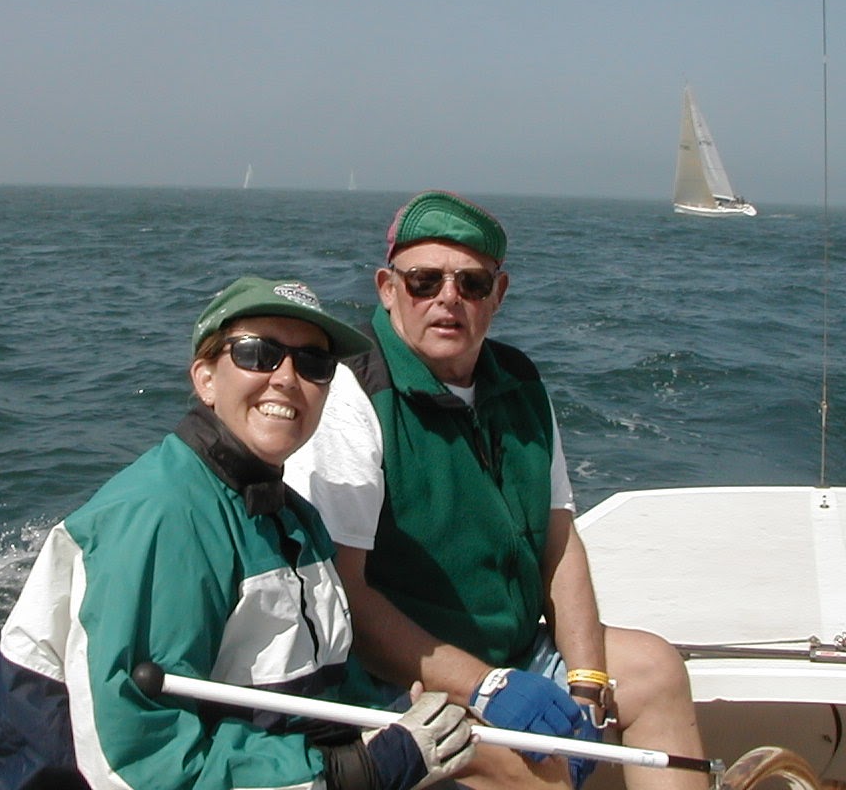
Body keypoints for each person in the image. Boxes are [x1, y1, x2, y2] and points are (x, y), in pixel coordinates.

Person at [0, 276, 477, 790]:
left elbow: (313, 690)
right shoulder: (161, 518)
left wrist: (389, 724)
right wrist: (361, 769)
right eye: (257, 354)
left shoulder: (294, 517)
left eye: (314, 363)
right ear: (205, 379)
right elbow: (137, 765)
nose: (286, 378)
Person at [285, 192, 707, 790]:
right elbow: (347, 599)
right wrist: (488, 687)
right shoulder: (354, 395)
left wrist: (586, 685)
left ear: (498, 294)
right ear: (387, 288)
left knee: (656, 672)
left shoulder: (520, 383)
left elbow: (559, 541)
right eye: (424, 281)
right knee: (534, 771)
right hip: (398, 681)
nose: (448, 298)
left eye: (472, 283)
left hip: (515, 655)